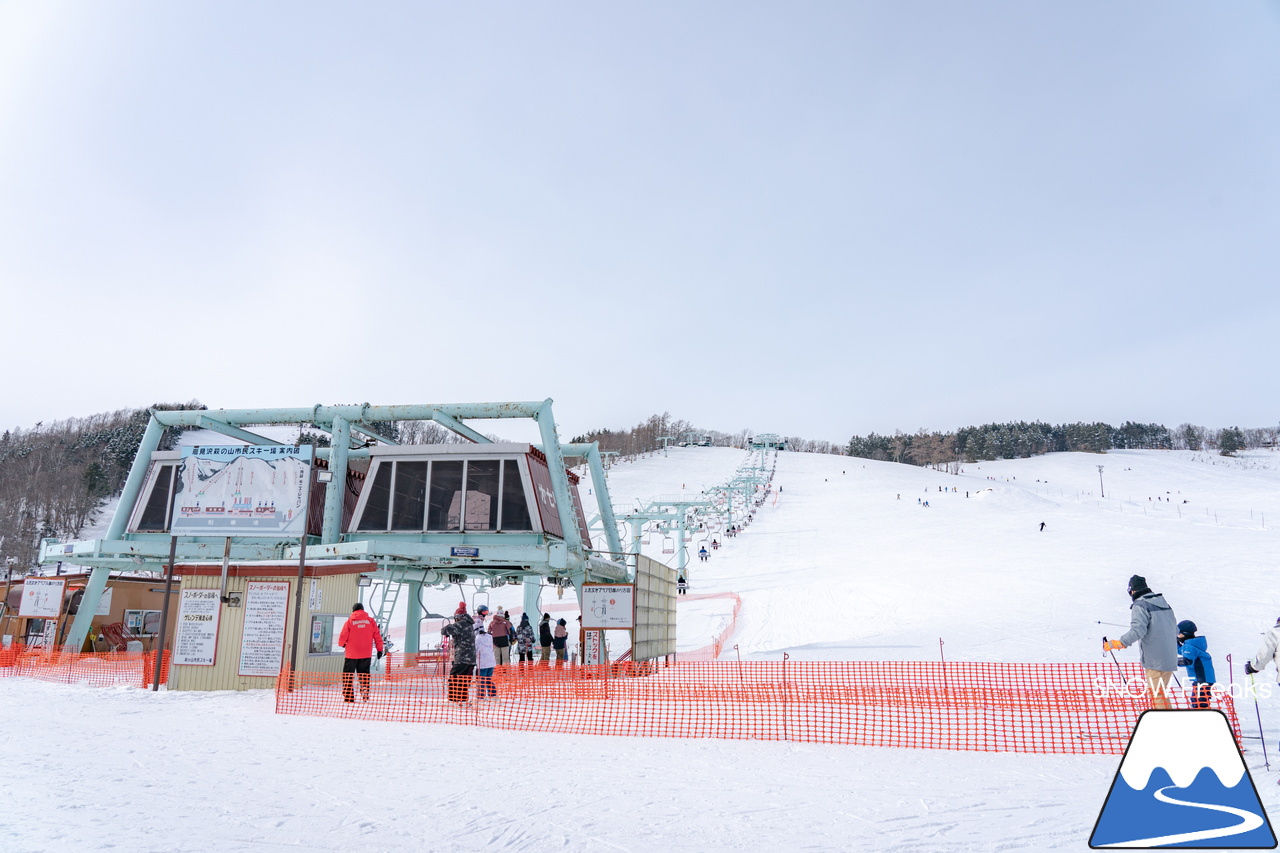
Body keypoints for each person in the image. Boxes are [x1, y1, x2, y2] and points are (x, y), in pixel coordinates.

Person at [1103, 575, 1178, 710]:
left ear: (1132, 591)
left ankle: (1164, 726)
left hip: (1155, 659)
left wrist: (1119, 643)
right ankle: (1168, 722)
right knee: (1161, 694)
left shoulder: (1141, 605)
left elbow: (1138, 630)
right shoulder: (1164, 603)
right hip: (1170, 657)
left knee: (1157, 694)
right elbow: (1174, 628)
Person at [338, 603, 384, 703]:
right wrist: (379, 650)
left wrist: (342, 644)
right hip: (365, 653)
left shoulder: (349, 622)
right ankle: (364, 691)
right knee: (364, 674)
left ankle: (348, 696)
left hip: (351, 654)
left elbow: (342, 637)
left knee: (348, 676)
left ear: (353, 610)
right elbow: (377, 637)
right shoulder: (371, 621)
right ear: (363, 610)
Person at [1176, 620, 1215, 709]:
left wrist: (1172, 662)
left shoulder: (1189, 647)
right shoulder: (1191, 645)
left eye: (1179, 633)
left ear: (1185, 634)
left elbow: (1188, 661)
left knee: (1199, 702)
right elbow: (1180, 650)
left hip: (1202, 679)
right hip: (1203, 678)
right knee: (1198, 700)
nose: (1177, 635)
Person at [441, 611, 476, 702]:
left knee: (454, 677)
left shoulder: (461, 624)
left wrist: (448, 628)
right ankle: (462, 699)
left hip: (463, 657)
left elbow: (445, 630)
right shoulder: (469, 624)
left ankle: (454, 699)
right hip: (471, 658)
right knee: (463, 680)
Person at [475, 623, 497, 699]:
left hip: (482, 663)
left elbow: (476, 650)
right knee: (488, 679)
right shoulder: (489, 637)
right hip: (491, 661)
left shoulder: (477, 638)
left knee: (481, 680)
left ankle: (480, 695)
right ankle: (493, 693)